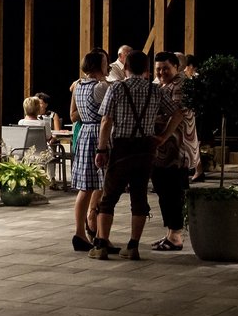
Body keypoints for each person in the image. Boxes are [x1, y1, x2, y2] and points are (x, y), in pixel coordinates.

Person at [90, 50, 174, 260]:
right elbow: (179, 112)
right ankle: (133, 246)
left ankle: (101, 245)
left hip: (122, 148)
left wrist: (101, 150)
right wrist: (163, 136)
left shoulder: (117, 88)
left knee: (108, 198)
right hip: (146, 149)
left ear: (125, 67)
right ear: (146, 69)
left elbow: (106, 121)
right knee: (139, 198)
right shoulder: (155, 90)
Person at [150, 51, 195, 250]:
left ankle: (176, 235)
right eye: (158, 69)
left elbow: (178, 114)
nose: (161, 72)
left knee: (173, 192)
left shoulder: (181, 84)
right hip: (164, 151)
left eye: (165, 68)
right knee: (164, 190)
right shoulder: (164, 84)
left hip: (177, 150)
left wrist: (162, 136)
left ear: (176, 67)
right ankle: (170, 233)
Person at [69, 50, 110, 251]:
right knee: (103, 186)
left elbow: (74, 114)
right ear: (98, 65)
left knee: (85, 188)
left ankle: (79, 232)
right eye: (105, 62)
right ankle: (101, 235)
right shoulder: (101, 87)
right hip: (98, 134)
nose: (108, 66)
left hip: (84, 132)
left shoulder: (79, 85)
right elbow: (109, 115)